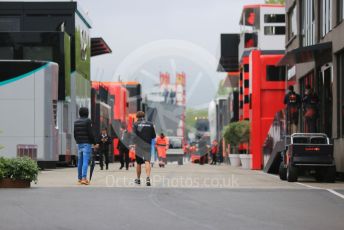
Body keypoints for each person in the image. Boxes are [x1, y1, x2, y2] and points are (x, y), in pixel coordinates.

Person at [131, 111, 156, 186]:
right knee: (147, 161)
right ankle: (148, 178)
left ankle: (138, 179)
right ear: (144, 116)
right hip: (147, 145)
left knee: (138, 163)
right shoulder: (150, 124)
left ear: (137, 117)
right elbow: (153, 136)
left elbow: (133, 136)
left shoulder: (135, 124)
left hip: (139, 145)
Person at [74, 107, 97, 185]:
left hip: (79, 143)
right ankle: (84, 178)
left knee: (80, 161)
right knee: (85, 161)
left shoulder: (76, 122)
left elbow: (75, 134)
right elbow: (90, 133)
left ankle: (80, 179)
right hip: (86, 143)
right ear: (87, 113)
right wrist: (94, 142)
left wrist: (78, 141)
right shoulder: (88, 121)